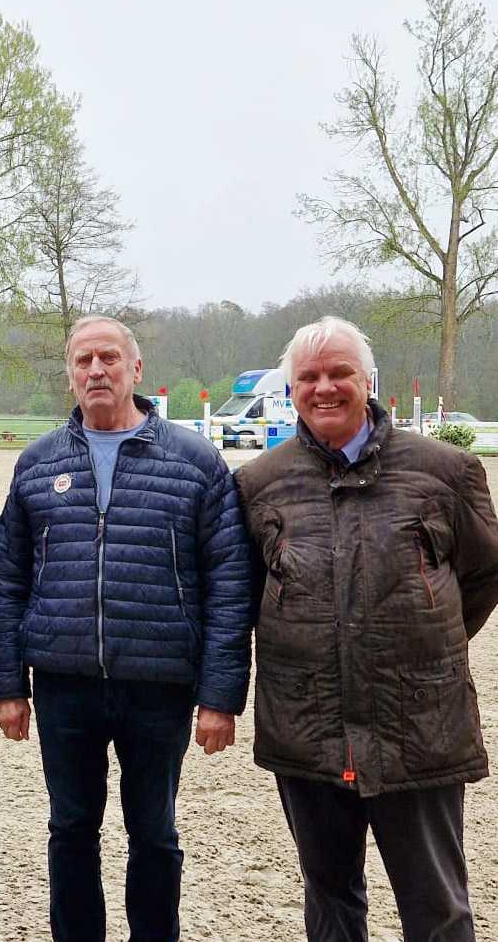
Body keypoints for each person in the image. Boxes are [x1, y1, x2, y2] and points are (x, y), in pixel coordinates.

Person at [0, 315, 253, 942]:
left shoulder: (194, 462)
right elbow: (6, 580)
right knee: (70, 829)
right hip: (64, 683)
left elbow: (229, 583)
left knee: (155, 833)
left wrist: (219, 696)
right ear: (70, 374)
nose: (96, 370)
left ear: (136, 370)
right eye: (83, 360)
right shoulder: (37, 462)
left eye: (109, 358)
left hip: (158, 683)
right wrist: (7, 683)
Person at [233, 316, 498, 942]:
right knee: (329, 902)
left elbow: (485, 573)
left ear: (368, 380)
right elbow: (245, 594)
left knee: (437, 909)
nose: (325, 387)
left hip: (419, 726)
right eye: (309, 377)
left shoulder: (447, 472)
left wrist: (422, 638)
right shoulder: (257, 484)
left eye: (339, 373)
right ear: (291, 388)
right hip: (308, 729)